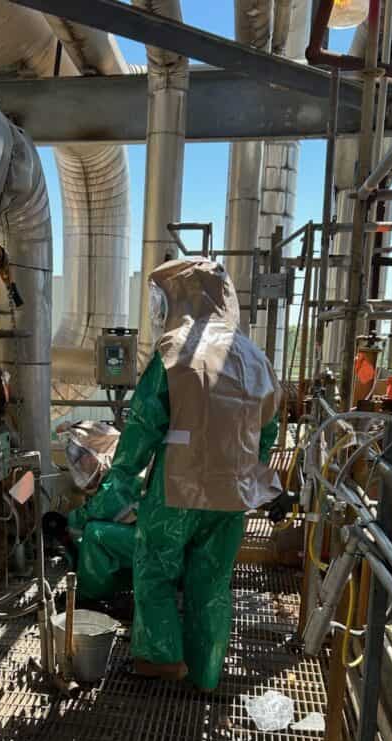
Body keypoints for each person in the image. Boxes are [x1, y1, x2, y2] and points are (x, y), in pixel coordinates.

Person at [68, 257, 282, 691]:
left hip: (178, 489)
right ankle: (206, 672)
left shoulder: (173, 352)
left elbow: (142, 430)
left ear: (178, 297)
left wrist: (113, 493)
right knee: (212, 584)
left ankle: (163, 659)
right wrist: (243, 470)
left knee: (156, 571)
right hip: (233, 495)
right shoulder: (254, 356)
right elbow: (269, 429)